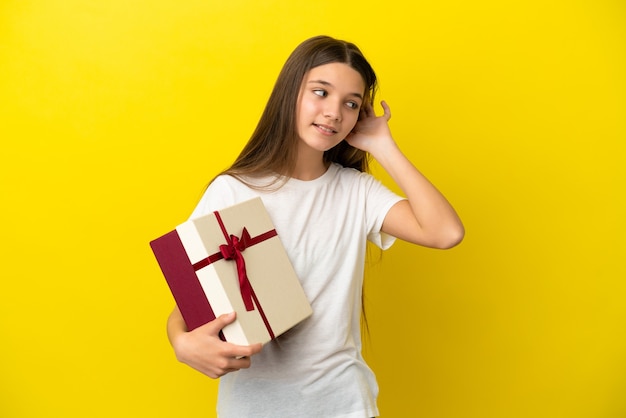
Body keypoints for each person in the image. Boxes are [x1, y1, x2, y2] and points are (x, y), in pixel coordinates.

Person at [166, 35, 464, 417]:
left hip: (344, 403)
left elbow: (446, 233)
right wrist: (181, 342)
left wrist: (383, 146)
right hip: (253, 406)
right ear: (289, 93)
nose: (334, 112)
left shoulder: (356, 192)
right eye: (320, 92)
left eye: (351, 104)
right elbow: (191, 300)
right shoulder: (233, 190)